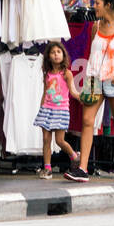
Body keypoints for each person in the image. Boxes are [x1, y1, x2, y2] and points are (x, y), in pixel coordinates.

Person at [64, 0, 114, 183]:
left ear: (108, 5)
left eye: (97, 3)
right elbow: (93, 53)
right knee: (87, 121)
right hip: (94, 77)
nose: (93, 6)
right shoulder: (95, 27)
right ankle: (82, 168)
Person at [34, 41, 79, 179]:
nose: (56, 55)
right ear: (48, 56)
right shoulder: (47, 73)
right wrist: (41, 108)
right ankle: (47, 169)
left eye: (59, 52)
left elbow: (73, 91)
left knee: (60, 141)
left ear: (63, 55)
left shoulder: (67, 73)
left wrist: (81, 98)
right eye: (53, 52)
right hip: (47, 109)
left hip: (61, 110)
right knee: (46, 139)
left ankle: (74, 156)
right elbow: (45, 92)